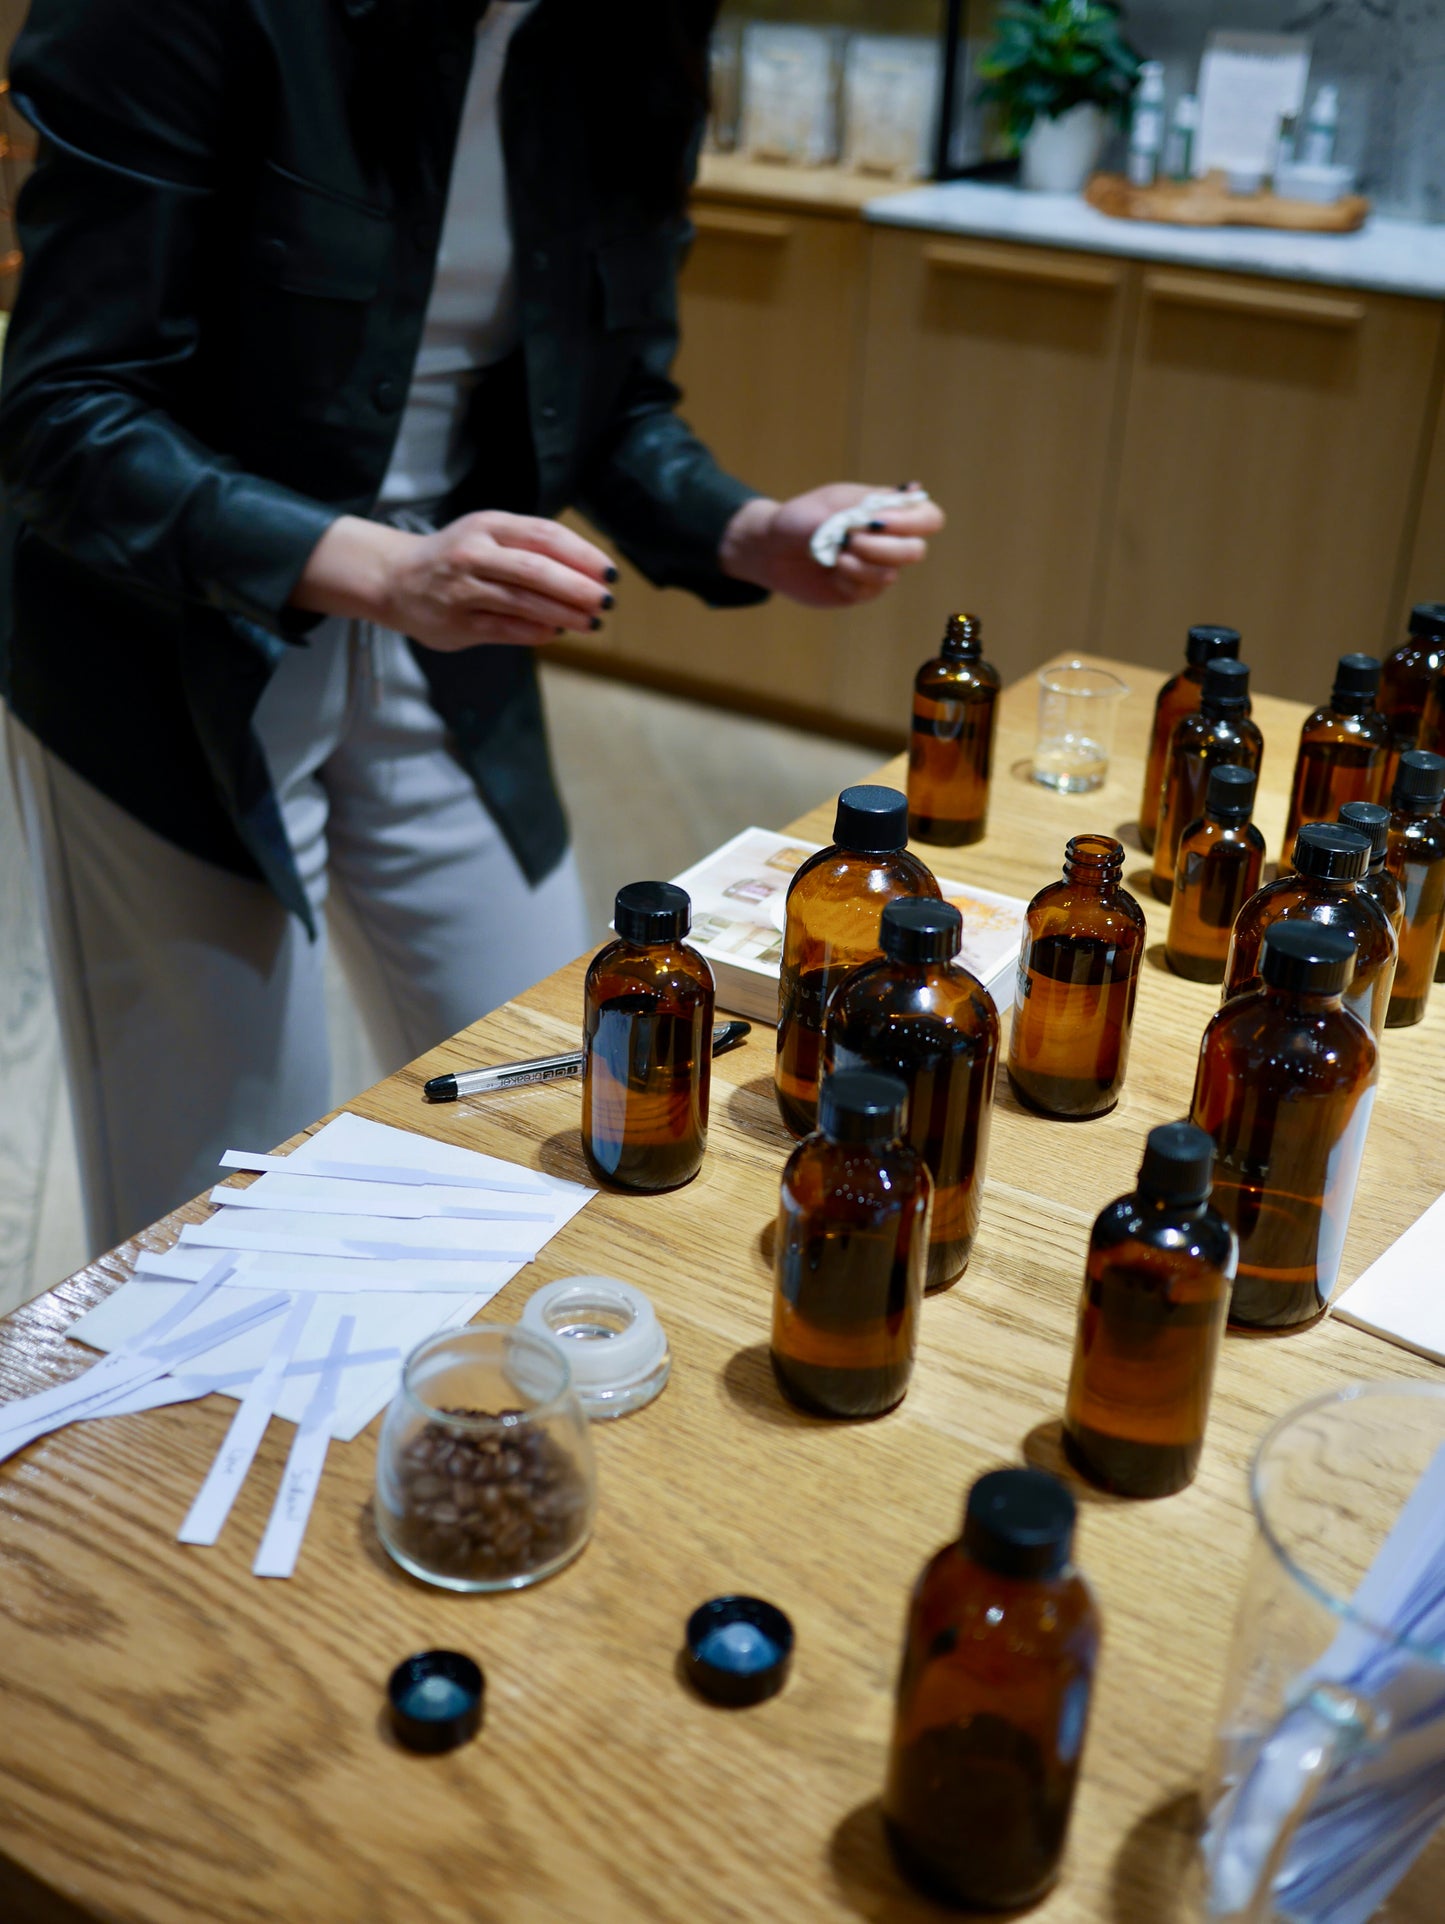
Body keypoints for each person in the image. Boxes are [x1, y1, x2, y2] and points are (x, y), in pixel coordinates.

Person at [0, 0, 944, 1255]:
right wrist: (384, 570)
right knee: (216, 1190)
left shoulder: (615, 37)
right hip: (168, 654)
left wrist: (744, 527)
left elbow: (605, 406)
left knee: (553, 1085)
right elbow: (65, 415)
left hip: (450, 649)